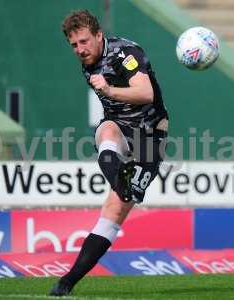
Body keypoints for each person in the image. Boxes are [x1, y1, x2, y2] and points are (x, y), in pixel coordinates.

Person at [49, 9, 168, 296]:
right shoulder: (88, 61)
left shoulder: (125, 53)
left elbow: (146, 93)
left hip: (150, 138)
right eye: (74, 45)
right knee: (106, 133)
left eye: (84, 42)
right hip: (119, 126)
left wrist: (110, 89)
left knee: (114, 211)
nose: (80, 49)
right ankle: (64, 284)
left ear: (99, 35)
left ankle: (69, 279)